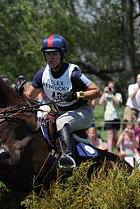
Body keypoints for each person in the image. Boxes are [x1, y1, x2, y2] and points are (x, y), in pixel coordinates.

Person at [25, 34, 100, 170]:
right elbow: (29, 97)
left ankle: (69, 159)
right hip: (60, 111)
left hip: (82, 112)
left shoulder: (73, 73)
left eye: (54, 54)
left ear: (62, 54)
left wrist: (78, 94)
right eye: (47, 54)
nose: (50, 58)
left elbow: (97, 91)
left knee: (62, 122)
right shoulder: (42, 74)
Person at [98, 80, 122, 152]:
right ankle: (110, 153)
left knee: (115, 137)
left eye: (113, 87)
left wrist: (111, 94)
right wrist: (104, 93)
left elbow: (118, 103)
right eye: (110, 87)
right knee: (110, 136)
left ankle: (116, 152)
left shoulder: (118, 95)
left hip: (116, 117)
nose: (111, 88)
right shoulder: (106, 95)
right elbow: (100, 103)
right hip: (108, 117)